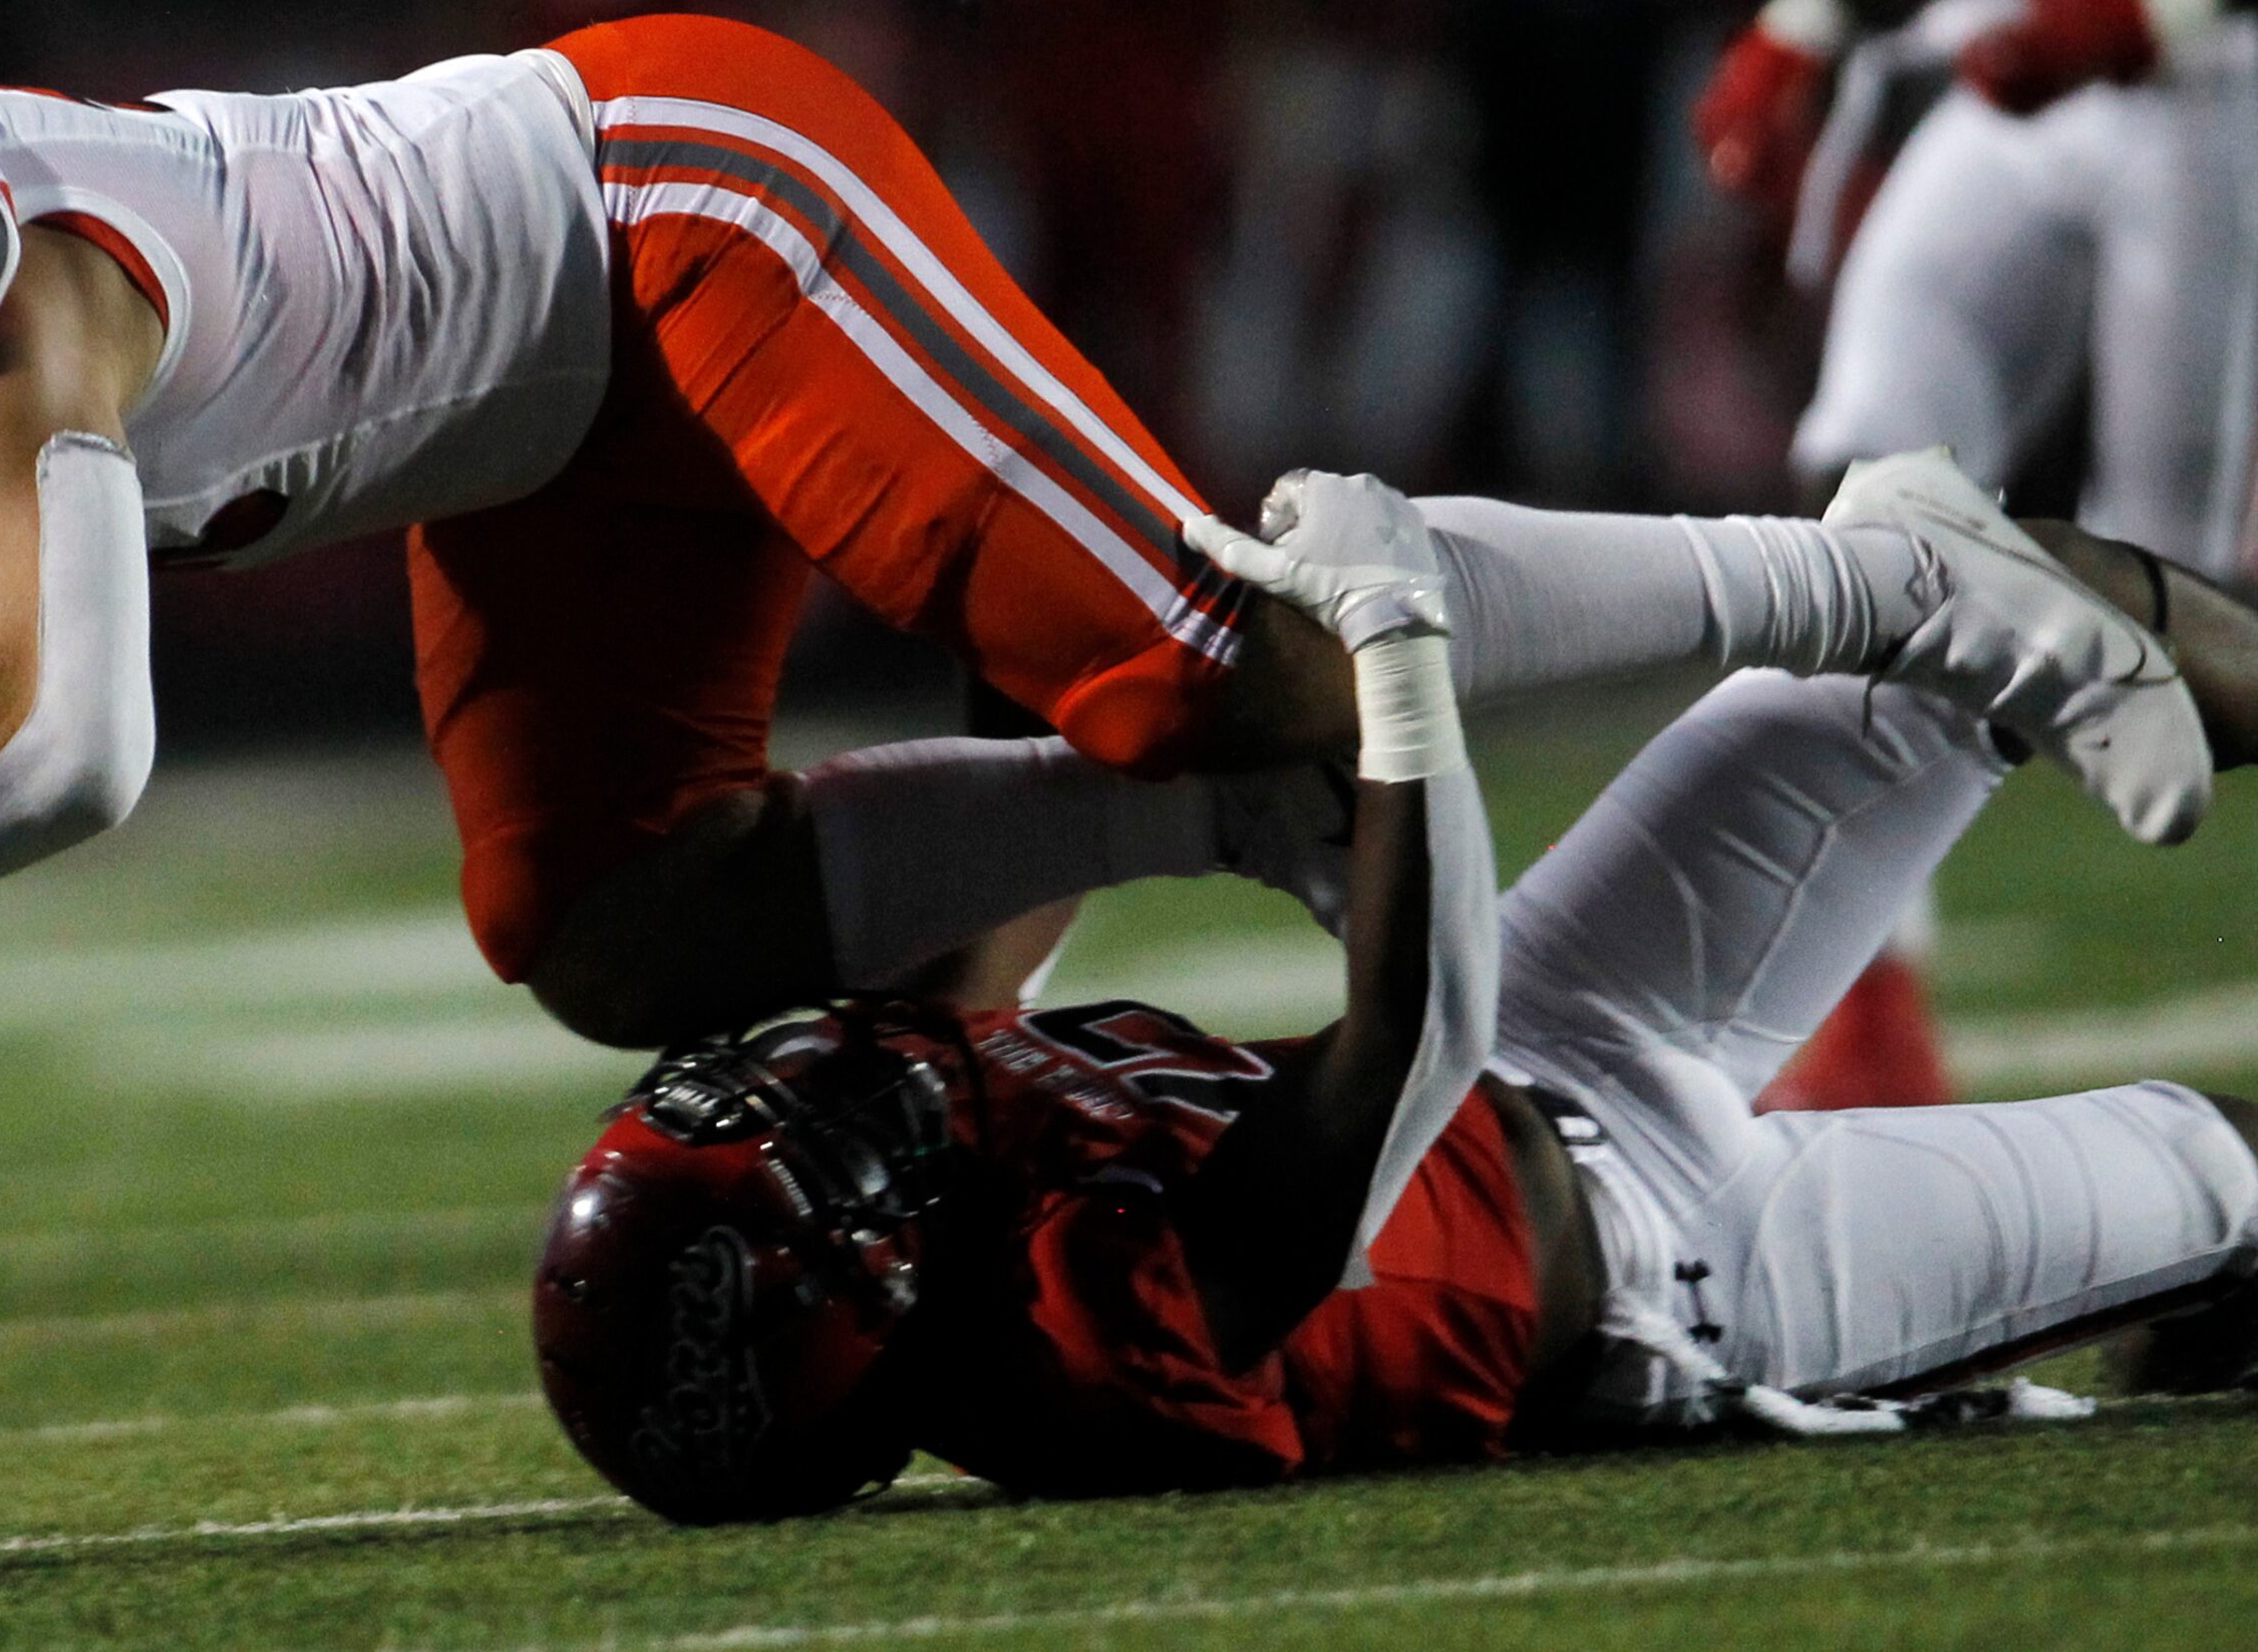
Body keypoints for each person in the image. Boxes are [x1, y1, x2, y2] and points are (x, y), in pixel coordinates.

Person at [0, 0, 2209, 1445]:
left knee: (1228, 659)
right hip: (524, 438)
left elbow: (58, 736)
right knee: (605, 918)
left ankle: (1868, 575)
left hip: (669, 213)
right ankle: (1276, 815)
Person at [534, 493, 2258, 1519]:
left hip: (1562, 1034)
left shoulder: (926, 1146)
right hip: (1689, 1268)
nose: (829, 1079)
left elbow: (1019, 837)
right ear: (874, 1300)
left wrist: (1036, 569)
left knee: (1979, 597)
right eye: (820, 1154)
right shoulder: (1084, 1339)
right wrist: (1394, 652)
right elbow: (1411, 1035)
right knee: (2231, 1170)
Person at [1691, 0, 2258, 1109]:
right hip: (2033, 51)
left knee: (2169, 577)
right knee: (1864, 476)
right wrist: (1812, 13)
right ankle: (1877, 996)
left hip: (2219, 84)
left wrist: (2153, 11)